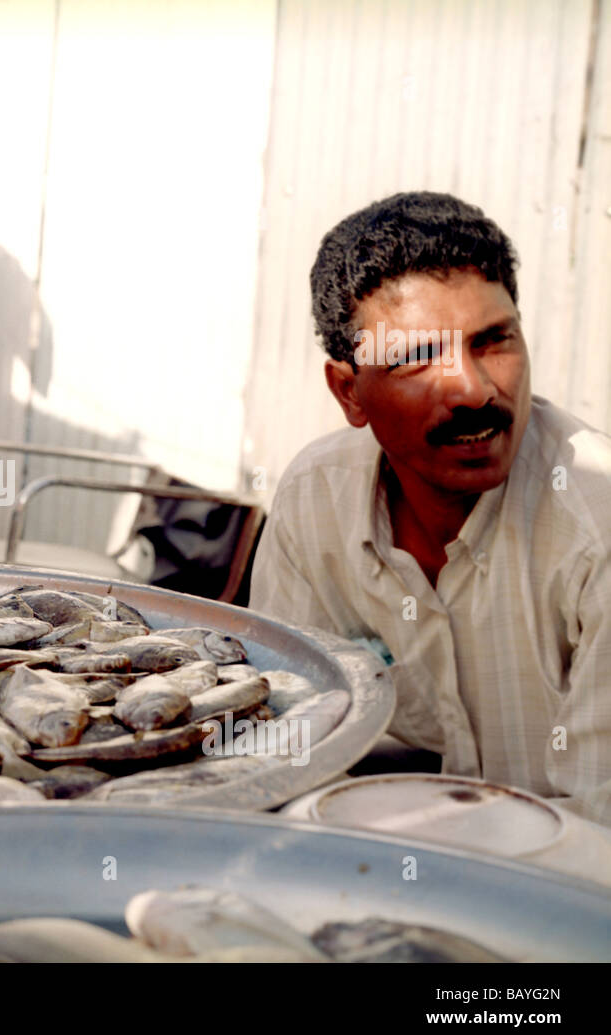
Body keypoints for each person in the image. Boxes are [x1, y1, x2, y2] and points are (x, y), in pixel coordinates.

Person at [249, 191, 611, 825]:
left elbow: (595, 824)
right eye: (417, 358)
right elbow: (289, 747)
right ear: (349, 392)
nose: (473, 389)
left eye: (493, 341)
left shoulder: (595, 521)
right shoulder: (316, 498)